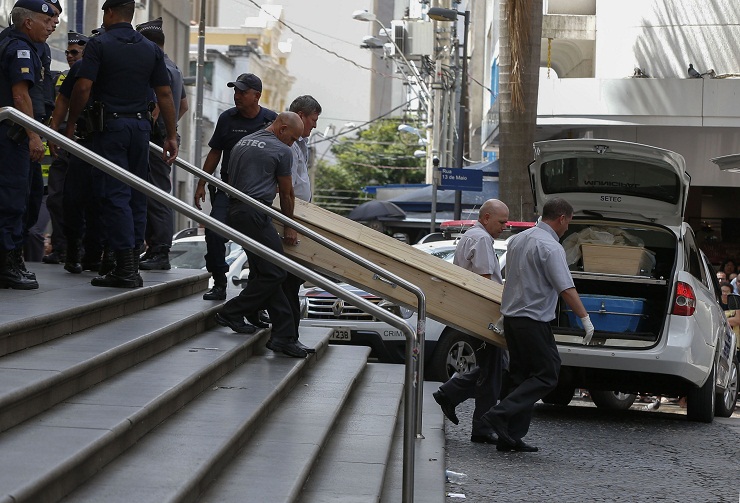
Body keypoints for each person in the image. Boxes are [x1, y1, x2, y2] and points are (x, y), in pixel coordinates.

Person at [65, 0, 178, 288]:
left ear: (109, 12)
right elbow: (164, 94)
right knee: (136, 193)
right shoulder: (150, 48)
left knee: (113, 194)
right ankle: (124, 262)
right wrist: (171, 135)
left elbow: (83, 86)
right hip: (141, 128)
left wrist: (71, 123)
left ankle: (125, 267)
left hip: (111, 127)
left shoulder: (100, 44)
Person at [480, 198, 594, 453]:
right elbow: (566, 288)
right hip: (533, 321)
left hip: (513, 319)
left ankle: (508, 437)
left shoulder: (519, 239)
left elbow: (514, 280)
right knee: (548, 373)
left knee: (520, 377)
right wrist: (585, 319)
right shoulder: (551, 247)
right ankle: (500, 414)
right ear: (562, 218)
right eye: (568, 223)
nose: (567, 229)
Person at [214, 111, 306, 358]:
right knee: (277, 271)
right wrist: (289, 225)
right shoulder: (281, 150)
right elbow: (286, 194)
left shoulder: (243, 142)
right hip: (254, 213)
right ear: (282, 128)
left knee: (268, 273)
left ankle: (283, 337)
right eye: (293, 137)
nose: (293, 143)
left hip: (236, 211)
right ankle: (232, 310)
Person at [433, 199, 510, 445]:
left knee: (495, 368)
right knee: (494, 370)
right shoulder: (483, 239)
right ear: (486, 218)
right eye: (501, 221)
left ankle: (451, 394)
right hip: (483, 313)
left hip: (473, 311)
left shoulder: (470, 235)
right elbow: (485, 281)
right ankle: (480, 424)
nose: (505, 226)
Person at [194, 73, 277, 300]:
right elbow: (215, 152)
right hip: (228, 190)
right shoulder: (227, 118)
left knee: (255, 244)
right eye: (235, 91)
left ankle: (253, 290)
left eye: (242, 92)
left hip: (257, 196)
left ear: (257, 96)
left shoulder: (271, 121)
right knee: (214, 231)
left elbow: (283, 155)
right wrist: (202, 182)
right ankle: (219, 282)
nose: (237, 96)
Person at [0, 0, 55, 289]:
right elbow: (20, 97)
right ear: (27, 22)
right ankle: (7, 263)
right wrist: (34, 135)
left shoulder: (33, 48)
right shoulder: (18, 48)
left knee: (30, 198)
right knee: (12, 200)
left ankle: (11, 259)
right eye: (46, 20)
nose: (52, 25)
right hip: (14, 136)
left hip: (23, 136)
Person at [48, 28, 105, 275]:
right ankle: (72, 252)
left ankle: (93, 255)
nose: (71, 56)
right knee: (72, 200)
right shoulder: (80, 68)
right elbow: (64, 98)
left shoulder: (116, 66)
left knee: (99, 202)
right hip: (81, 140)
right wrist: (57, 131)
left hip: (107, 142)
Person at [136, 17, 189, 271]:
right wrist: (171, 127)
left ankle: (159, 250)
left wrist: (160, 128)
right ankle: (155, 249)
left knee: (156, 194)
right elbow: (184, 105)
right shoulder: (173, 67)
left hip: (155, 139)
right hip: (164, 135)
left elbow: (158, 105)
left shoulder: (159, 69)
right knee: (154, 193)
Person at [42, 30, 88, 265]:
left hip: (86, 145)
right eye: (68, 52)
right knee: (57, 198)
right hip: (62, 144)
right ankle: (61, 248)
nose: (70, 56)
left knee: (84, 200)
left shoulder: (95, 76)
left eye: (75, 52)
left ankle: (84, 250)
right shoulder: (59, 78)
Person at [280, 95, 321, 353]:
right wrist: (290, 223)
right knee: (288, 280)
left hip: (300, 216)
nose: (314, 126)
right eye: (313, 120)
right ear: (301, 116)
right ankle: (286, 336)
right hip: (289, 218)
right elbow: (287, 189)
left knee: (293, 282)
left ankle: (289, 335)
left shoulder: (301, 144)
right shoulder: (288, 144)